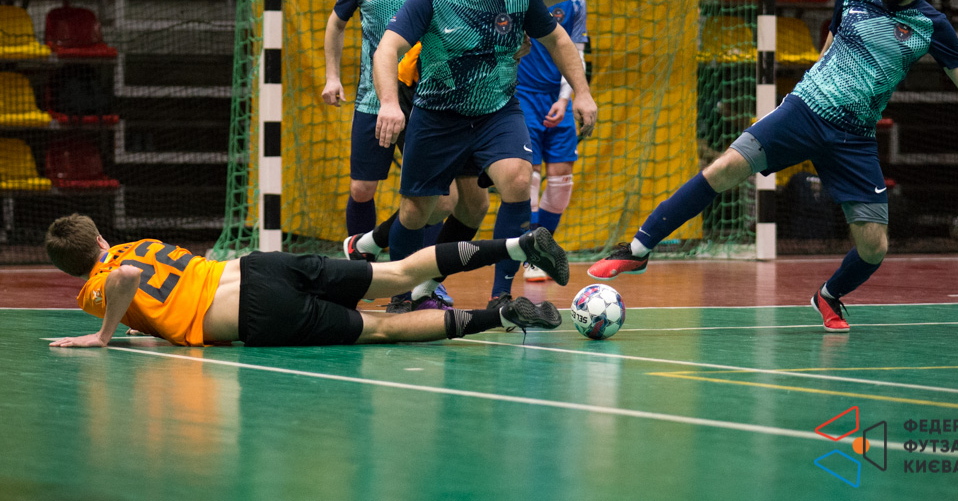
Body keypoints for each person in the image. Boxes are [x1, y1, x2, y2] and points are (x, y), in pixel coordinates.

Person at [588, 0, 958, 332]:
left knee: (874, 247)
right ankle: (638, 249)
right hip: (805, 110)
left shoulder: (931, 25)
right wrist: (817, 83)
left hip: (854, 138)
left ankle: (828, 295)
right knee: (724, 168)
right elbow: (831, 46)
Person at [346, 0, 588, 308]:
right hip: (437, 112)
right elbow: (387, 49)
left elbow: (558, 38)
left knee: (513, 184)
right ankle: (400, 291)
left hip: (496, 110)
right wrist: (388, 103)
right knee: (419, 212)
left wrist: (582, 92)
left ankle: (498, 296)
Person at [44, 214, 570, 349]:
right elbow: (141, 272)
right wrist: (140, 325)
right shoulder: (138, 243)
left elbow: (126, 280)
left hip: (251, 314)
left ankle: (502, 315)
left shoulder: (95, 287)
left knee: (382, 327)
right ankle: (519, 245)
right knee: (397, 273)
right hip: (259, 267)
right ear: (100, 237)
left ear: (74, 267)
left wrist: (104, 333)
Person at [321, 0, 444, 238]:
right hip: (373, 98)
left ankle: (423, 267)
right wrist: (332, 77)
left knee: (434, 195)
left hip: (426, 99)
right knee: (362, 189)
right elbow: (336, 23)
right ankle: (362, 262)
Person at [512, 0, 589, 284]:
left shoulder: (575, 1)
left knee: (561, 179)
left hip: (556, 97)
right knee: (528, 176)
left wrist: (564, 99)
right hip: (522, 96)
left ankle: (542, 251)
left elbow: (575, 53)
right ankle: (529, 253)